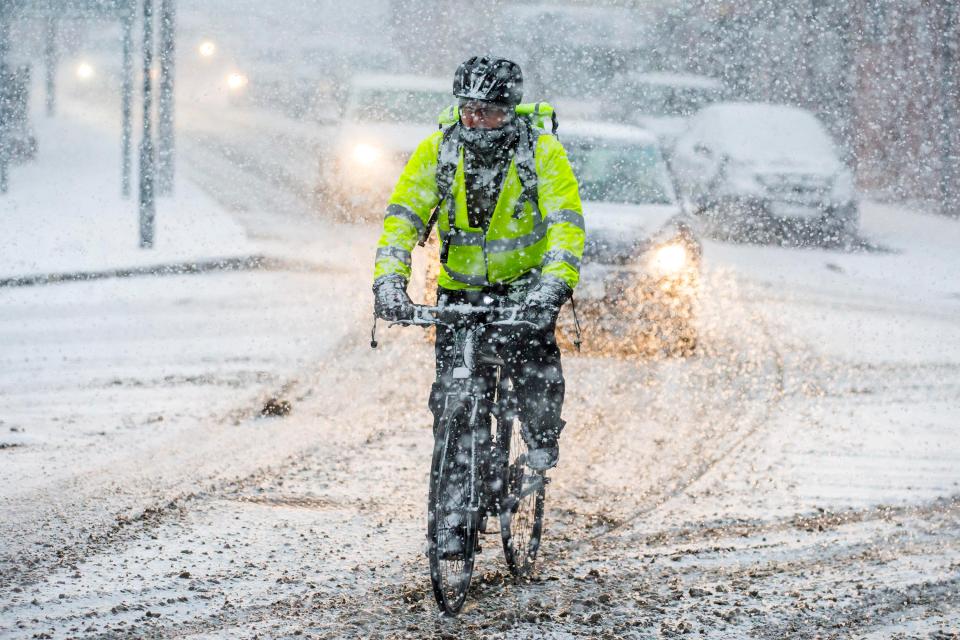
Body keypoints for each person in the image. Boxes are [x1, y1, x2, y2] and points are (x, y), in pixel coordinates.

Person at [371, 56, 584, 471]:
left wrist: (553, 286)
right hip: (459, 291)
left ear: (508, 111)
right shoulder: (439, 150)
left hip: (524, 290)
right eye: (467, 109)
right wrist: (389, 282)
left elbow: (566, 224)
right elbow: (402, 218)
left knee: (535, 376)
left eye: (486, 111)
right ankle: (458, 470)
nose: (474, 119)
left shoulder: (541, 152)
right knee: (450, 395)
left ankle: (540, 447)